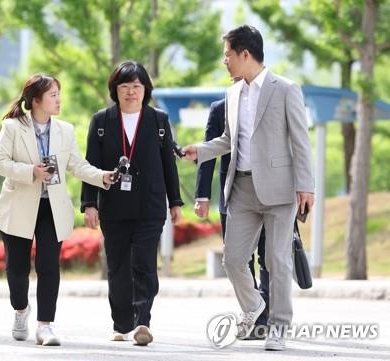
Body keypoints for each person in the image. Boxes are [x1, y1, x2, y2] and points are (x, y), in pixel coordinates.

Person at [183, 25, 314, 351]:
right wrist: (200, 151)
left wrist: (306, 186)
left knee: (276, 260)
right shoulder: (232, 93)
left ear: (245, 54)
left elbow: (301, 141)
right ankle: (254, 305)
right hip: (240, 188)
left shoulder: (285, 89)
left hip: (280, 190)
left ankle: (279, 328)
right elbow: (229, 140)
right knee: (233, 259)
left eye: (227, 55)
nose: (224, 61)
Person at [0, 74, 115, 346]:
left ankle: (45, 326)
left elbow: (77, 165)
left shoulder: (65, 130)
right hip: (18, 206)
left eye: (59, 93)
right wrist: (31, 172)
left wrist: (102, 177)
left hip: (52, 208)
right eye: (53, 95)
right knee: (17, 268)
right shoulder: (12, 127)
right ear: (36, 100)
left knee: (49, 266)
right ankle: (21, 310)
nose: (59, 99)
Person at [80, 60, 184, 346]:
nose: (130, 92)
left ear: (145, 89)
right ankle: (121, 323)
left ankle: (142, 321)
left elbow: (168, 165)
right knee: (118, 266)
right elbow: (91, 164)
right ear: (115, 90)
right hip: (114, 205)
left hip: (150, 204)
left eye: (136, 86)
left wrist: (175, 201)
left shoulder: (158, 120)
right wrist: (90, 203)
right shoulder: (101, 121)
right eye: (124, 87)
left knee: (144, 262)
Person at [194, 97, 269, 340]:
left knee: (269, 257)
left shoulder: (271, 100)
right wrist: (202, 195)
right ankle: (254, 311)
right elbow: (209, 150)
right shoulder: (220, 107)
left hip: (272, 193)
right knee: (239, 259)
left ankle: (266, 318)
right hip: (234, 193)